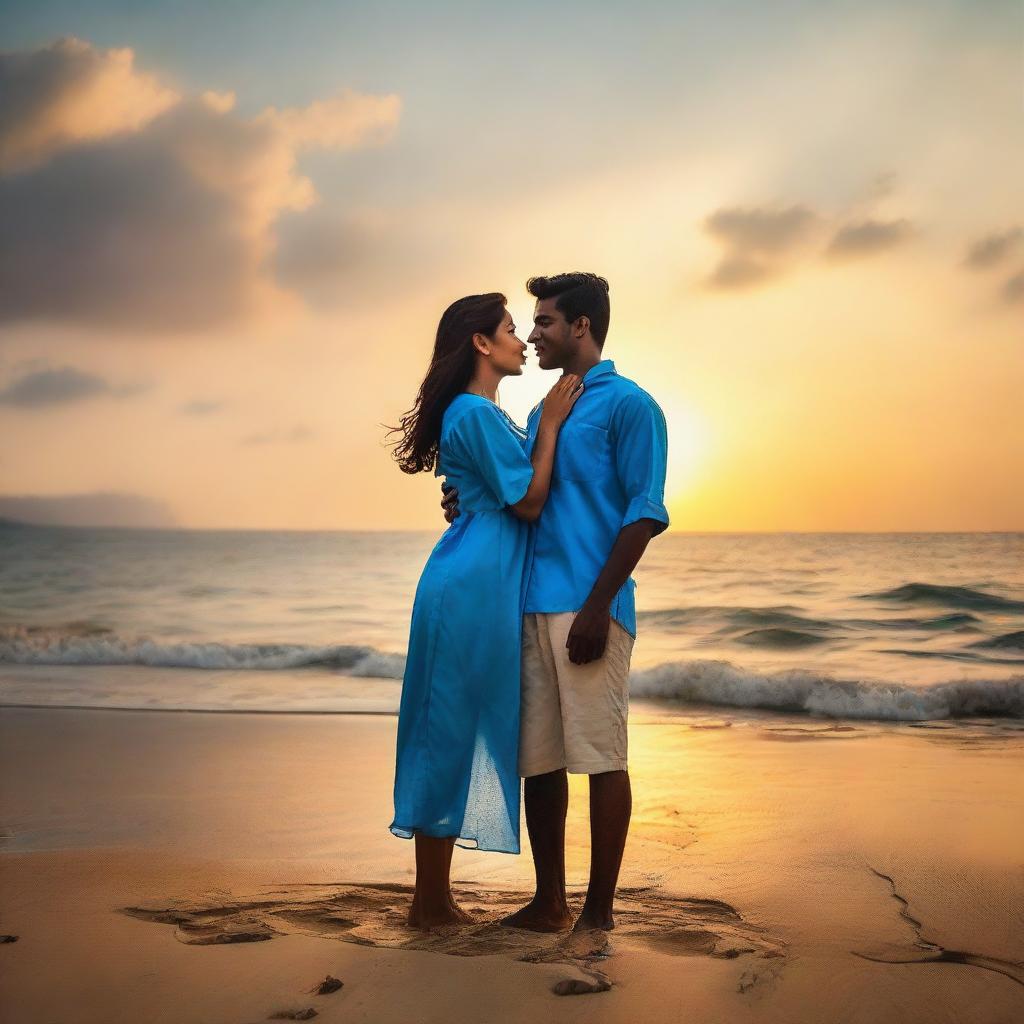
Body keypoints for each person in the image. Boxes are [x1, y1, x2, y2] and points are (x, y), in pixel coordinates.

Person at [441, 273, 669, 932]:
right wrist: (460, 498)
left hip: (588, 606)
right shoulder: (545, 412)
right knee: (539, 763)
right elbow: (513, 488)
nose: (534, 333)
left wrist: (600, 606)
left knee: (601, 757)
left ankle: (598, 912)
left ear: (581, 327)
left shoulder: (631, 406)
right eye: (530, 324)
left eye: (544, 322)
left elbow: (644, 513)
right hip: (526, 605)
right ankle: (549, 902)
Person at [386, 291, 582, 930]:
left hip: (490, 580)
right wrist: (548, 426)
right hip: (469, 584)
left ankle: (434, 897)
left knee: (460, 720)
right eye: (507, 329)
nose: (521, 339)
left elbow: (502, 490)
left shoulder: (487, 416)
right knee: (446, 727)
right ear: (480, 342)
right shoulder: (472, 413)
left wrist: (539, 430)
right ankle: (430, 900)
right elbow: (527, 502)